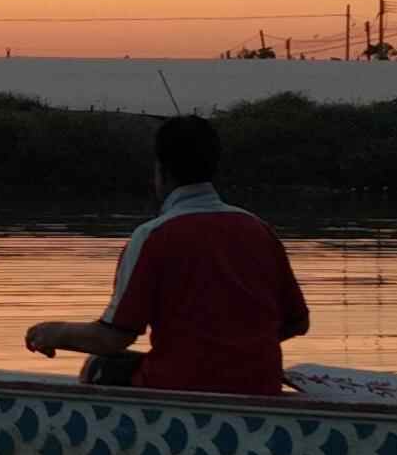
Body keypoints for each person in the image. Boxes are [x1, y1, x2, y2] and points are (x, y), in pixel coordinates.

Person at [25, 113, 309, 395]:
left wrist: (52, 332)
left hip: (178, 383)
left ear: (161, 170)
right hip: (262, 383)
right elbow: (297, 322)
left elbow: (112, 338)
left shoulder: (153, 237)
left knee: (98, 366)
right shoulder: (260, 230)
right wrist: (238, 349)